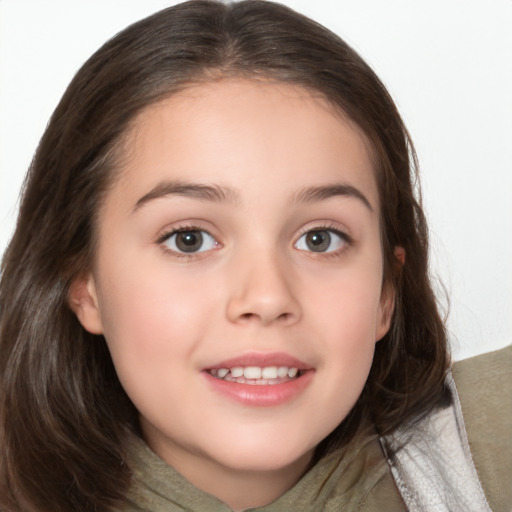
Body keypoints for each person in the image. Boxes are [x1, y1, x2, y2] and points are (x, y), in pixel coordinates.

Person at [0, 1, 509, 511]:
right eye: (189, 239)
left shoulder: (487, 447)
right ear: (83, 285)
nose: (267, 298)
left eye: (320, 239)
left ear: (385, 292)